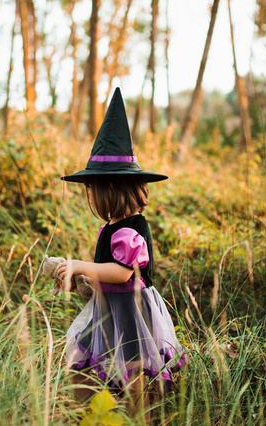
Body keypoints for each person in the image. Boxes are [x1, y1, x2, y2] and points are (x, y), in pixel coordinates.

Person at [56, 88, 186, 420]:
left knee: (134, 377)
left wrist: (80, 264)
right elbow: (104, 274)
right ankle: (107, 416)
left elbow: (122, 273)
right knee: (77, 367)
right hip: (107, 309)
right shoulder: (111, 227)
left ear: (109, 188)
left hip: (131, 312)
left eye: (91, 189)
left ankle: (135, 419)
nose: (89, 195)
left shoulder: (131, 229)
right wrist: (80, 277)